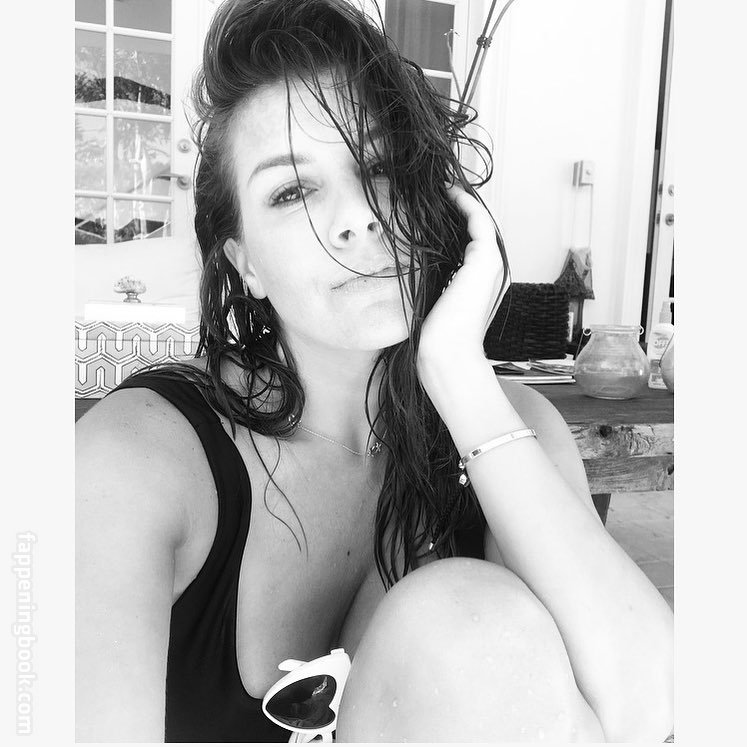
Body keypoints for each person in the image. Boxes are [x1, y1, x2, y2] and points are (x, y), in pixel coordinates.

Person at [75, 0, 674, 742]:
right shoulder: (133, 462)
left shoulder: (506, 424)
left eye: (381, 168)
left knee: (467, 619)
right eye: (293, 191)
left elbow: (646, 705)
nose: (357, 217)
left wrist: (458, 375)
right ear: (244, 261)